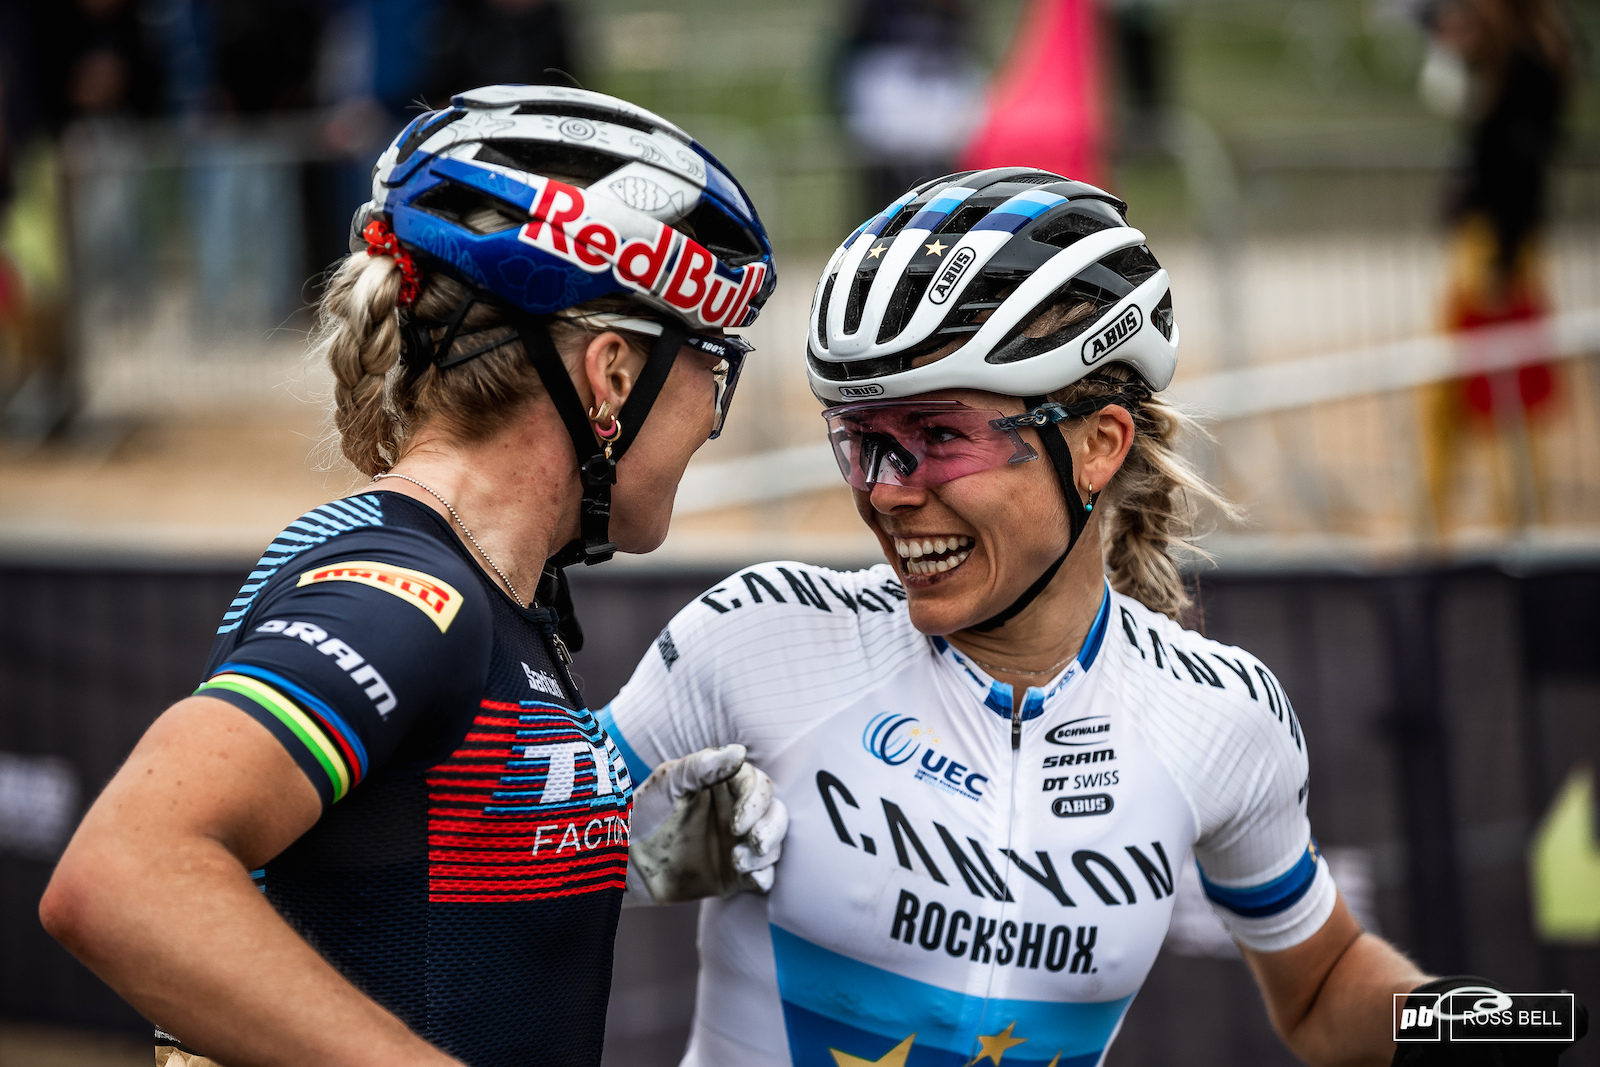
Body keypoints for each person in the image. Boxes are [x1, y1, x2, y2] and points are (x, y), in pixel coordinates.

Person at [600, 171, 1587, 1066]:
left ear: (1099, 444)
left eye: (938, 436)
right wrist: (623, 855)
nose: (885, 492)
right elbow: (471, 859)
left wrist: (1523, 1026)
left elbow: (1326, 985)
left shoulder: (1215, 716)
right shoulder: (760, 635)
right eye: (861, 439)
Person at [39, 84, 784, 1067]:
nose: (711, 413)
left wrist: (615, 839)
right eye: (709, 368)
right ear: (610, 374)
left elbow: (394, 865)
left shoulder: (461, 578)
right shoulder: (409, 592)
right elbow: (122, 872)